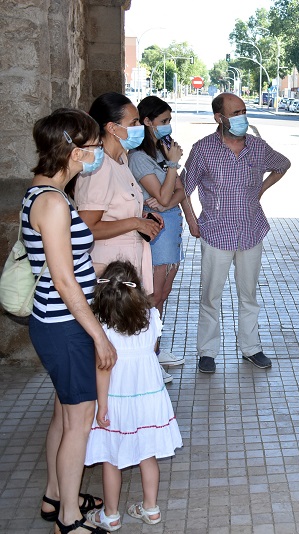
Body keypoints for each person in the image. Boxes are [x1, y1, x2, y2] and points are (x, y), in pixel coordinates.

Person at [24, 108, 116, 533]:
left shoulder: (44, 194)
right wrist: (99, 336)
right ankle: (69, 519)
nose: (99, 154)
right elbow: (63, 280)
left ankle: (55, 495)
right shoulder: (53, 203)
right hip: (65, 324)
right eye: (95, 147)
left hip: (57, 321)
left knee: (64, 415)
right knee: (78, 422)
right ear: (75, 151)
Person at [183, 93, 291, 374]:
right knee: (211, 296)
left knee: (249, 294)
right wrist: (192, 222)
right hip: (216, 233)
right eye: (235, 112)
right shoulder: (203, 149)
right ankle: (207, 352)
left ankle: (251, 348)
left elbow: (283, 164)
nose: (242, 117)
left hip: (251, 231)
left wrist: (261, 190)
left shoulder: (257, 147)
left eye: (243, 111)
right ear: (219, 118)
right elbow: (184, 188)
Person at [73, 93, 169, 384]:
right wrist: (134, 221)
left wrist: (143, 218)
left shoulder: (121, 159)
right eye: (134, 122)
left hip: (129, 262)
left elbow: (118, 207)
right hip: (109, 273)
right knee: (115, 345)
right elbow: (86, 228)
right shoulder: (99, 167)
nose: (140, 127)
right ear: (112, 128)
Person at [84, 261, 183, 531]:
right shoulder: (151, 318)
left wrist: (101, 406)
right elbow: (151, 349)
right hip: (149, 398)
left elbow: (103, 370)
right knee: (147, 455)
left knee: (111, 458)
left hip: (117, 400)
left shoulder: (101, 327)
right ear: (136, 290)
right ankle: (150, 509)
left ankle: (111, 515)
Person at [129, 96, 189, 371]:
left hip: (172, 232)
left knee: (162, 296)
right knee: (152, 297)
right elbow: (166, 194)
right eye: (163, 121)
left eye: (169, 121)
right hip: (157, 234)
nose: (168, 126)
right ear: (147, 122)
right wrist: (173, 167)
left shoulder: (160, 154)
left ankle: (155, 349)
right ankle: (146, 357)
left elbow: (179, 191)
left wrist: (169, 193)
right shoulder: (139, 158)